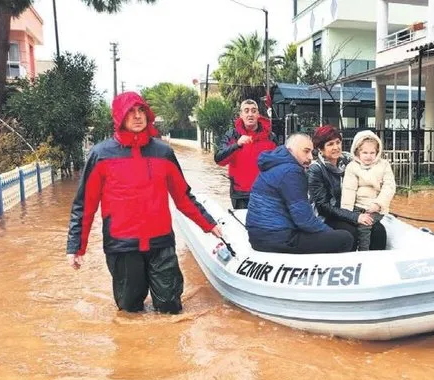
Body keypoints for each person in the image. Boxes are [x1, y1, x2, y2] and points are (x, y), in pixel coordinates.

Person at [66, 91, 222, 314]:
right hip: (122, 246)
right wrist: (75, 247)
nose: (137, 116)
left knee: (171, 309)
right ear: (119, 116)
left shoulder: (163, 152)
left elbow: (183, 196)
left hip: (161, 244)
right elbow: (85, 205)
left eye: (141, 111)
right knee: (130, 312)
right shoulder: (101, 155)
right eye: (130, 112)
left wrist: (209, 224)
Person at [246, 133, 354, 254]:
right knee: (345, 238)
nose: (310, 158)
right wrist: (330, 233)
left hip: (260, 234)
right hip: (278, 237)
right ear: (291, 150)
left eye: (311, 152)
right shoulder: (291, 171)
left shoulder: (276, 164)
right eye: (306, 151)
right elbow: (304, 220)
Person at [307, 125, 388, 250]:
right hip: (330, 215)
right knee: (351, 232)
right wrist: (355, 217)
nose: (336, 147)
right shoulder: (316, 169)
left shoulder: (350, 160)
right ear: (320, 149)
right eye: (330, 144)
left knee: (379, 231)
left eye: (338, 142)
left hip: (355, 209)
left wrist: (377, 203)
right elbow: (323, 206)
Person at [214, 99, 276, 209]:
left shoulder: (270, 137)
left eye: (253, 111)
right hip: (240, 194)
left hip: (265, 194)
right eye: (246, 111)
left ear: (258, 114)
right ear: (241, 115)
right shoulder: (232, 135)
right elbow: (219, 159)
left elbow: (279, 163)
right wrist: (236, 145)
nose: (250, 114)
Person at [340, 130, 396, 251]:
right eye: (365, 152)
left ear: (377, 152)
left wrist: (378, 204)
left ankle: (364, 252)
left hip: (376, 207)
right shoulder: (352, 167)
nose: (368, 156)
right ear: (357, 152)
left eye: (372, 153)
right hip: (356, 207)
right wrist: (347, 213)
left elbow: (389, 186)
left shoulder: (384, 165)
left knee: (364, 226)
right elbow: (349, 190)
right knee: (353, 226)